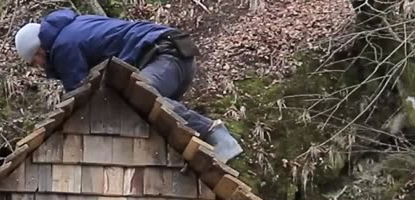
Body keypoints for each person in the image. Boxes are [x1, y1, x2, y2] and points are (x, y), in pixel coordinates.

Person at [13, 9, 243, 163]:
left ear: (40, 49)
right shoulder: (75, 28)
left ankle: (214, 131)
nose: (39, 66)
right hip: (177, 55)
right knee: (154, 116)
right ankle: (190, 158)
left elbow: (80, 93)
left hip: (164, 54)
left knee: (140, 96)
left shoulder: (64, 45)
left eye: (36, 60)